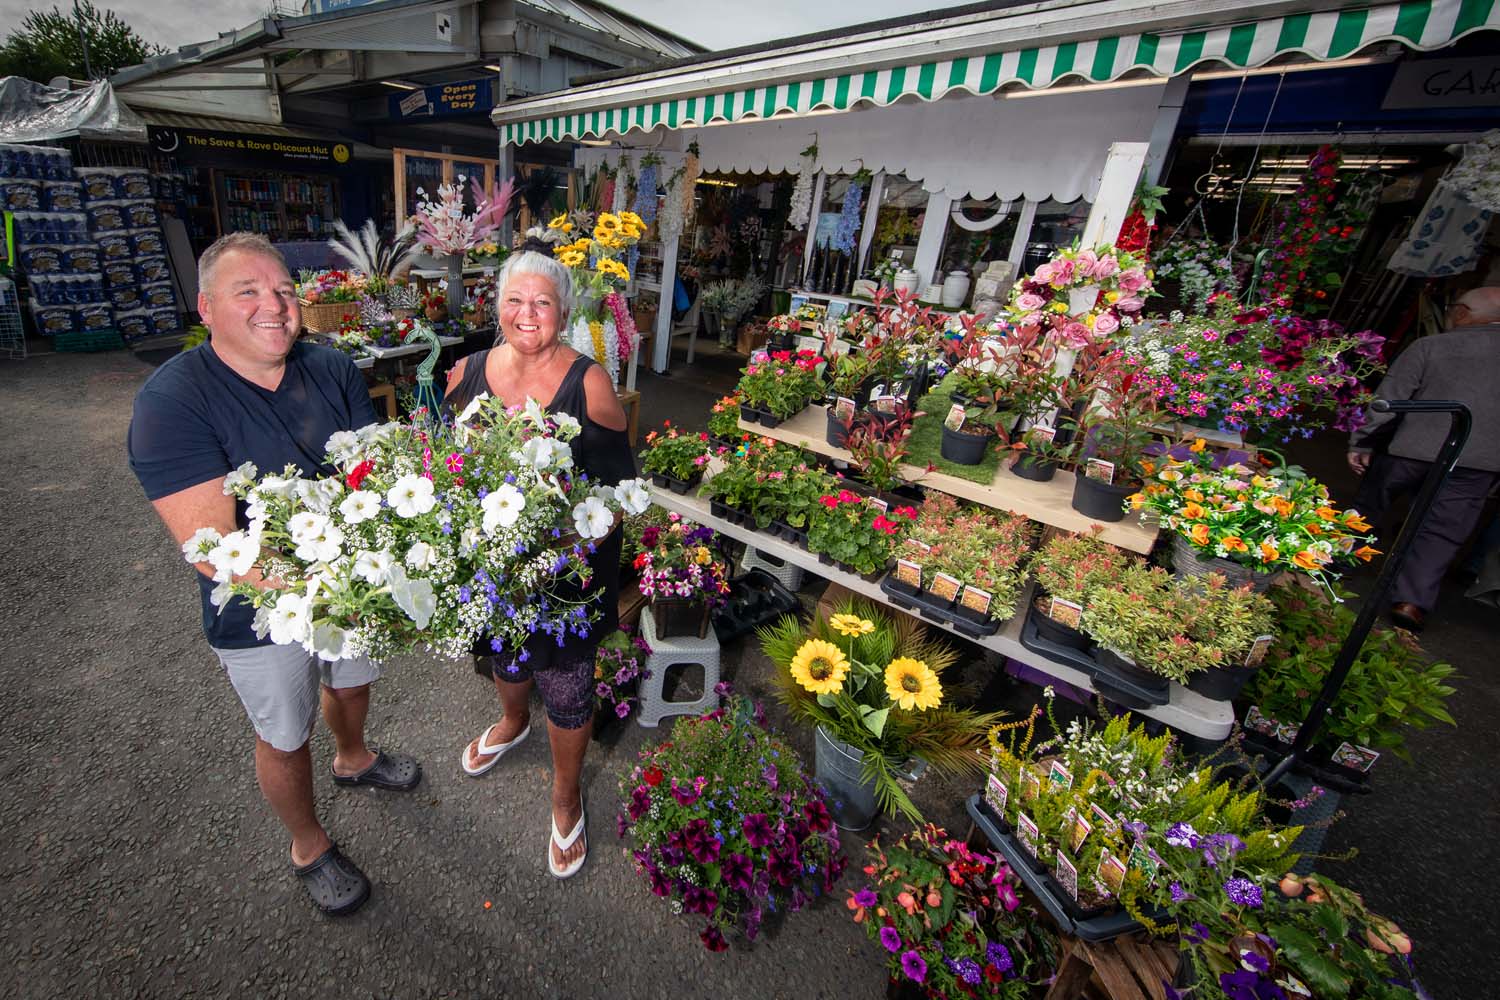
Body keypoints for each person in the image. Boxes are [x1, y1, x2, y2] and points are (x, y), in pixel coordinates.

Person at [128, 233, 421, 916]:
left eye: (285, 290)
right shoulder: (172, 403)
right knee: (284, 733)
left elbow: (367, 474)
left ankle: (353, 757)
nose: (274, 305)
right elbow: (215, 548)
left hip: (349, 578)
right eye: (249, 291)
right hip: (260, 609)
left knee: (352, 681)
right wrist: (338, 585)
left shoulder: (332, 369)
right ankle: (309, 845)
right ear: (206, 308)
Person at [445, 250, 635, 879]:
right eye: (515, 301)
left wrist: (560, 537)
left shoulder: (591, 383)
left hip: (568, 571)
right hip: (496, 568)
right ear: (496, 306)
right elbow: (451, 472)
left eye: (543, 302)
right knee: (505, 655)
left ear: (564, 311)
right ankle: (510, 719)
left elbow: (618, 492)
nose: (528, 315)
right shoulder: (464, 373)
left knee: (568, 684)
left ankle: (564, 794)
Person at [1348, 286, 1500, 632]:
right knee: (1443, 531)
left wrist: (1364, 442)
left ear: (1462, 313)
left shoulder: (1432, 346)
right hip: (1477, 461)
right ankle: (1411, 601)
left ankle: (1337, 558)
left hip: (1410, 450)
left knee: (1371, 504)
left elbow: (1391, 400)